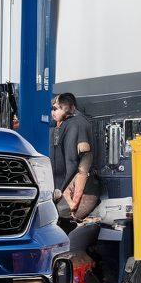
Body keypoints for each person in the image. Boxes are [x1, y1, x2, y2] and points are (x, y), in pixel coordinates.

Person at [50, 92, 102, 222]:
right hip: (78, 190)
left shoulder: (75, 125)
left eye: (57, 109)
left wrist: (62, 191)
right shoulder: (73, 123)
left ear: (70, 108)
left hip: (78, 192)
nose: (53, 113)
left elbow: (73, 162)